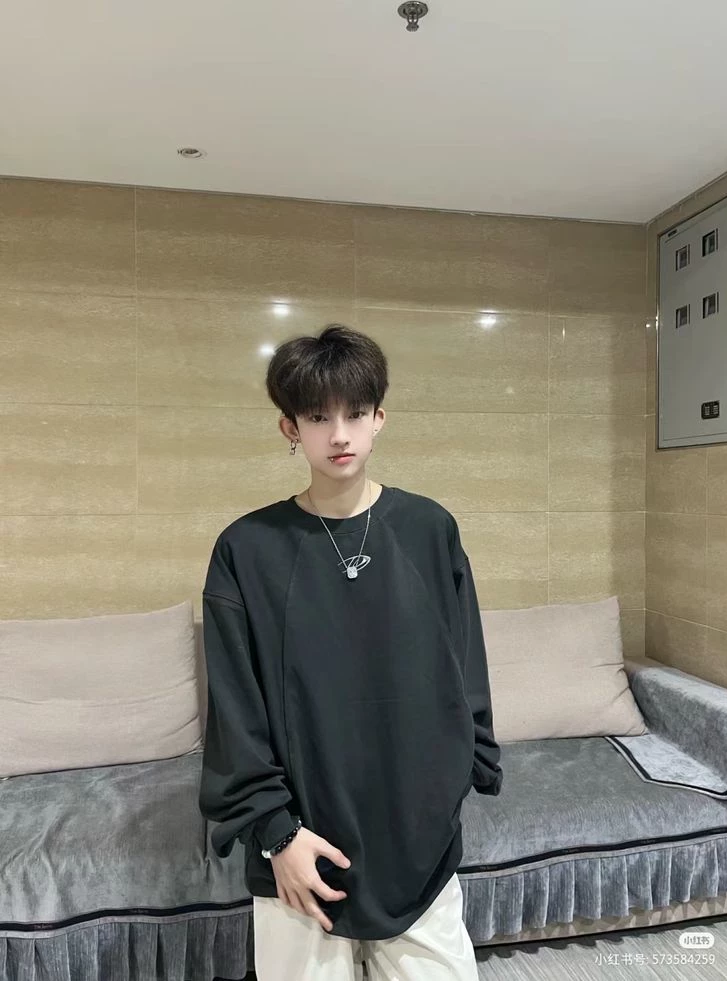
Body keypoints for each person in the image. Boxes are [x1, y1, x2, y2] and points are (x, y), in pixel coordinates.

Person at [198, 323, 503, 980]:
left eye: (355, 413)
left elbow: (464, 669)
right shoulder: (247, 549)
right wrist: (276, 833)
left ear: (379, 419)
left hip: (416, 838)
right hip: (298, 847)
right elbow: (235, 710)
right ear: (290, 427)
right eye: (318, 417)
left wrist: (460, 776)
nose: (339, 434)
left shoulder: (429, 529)